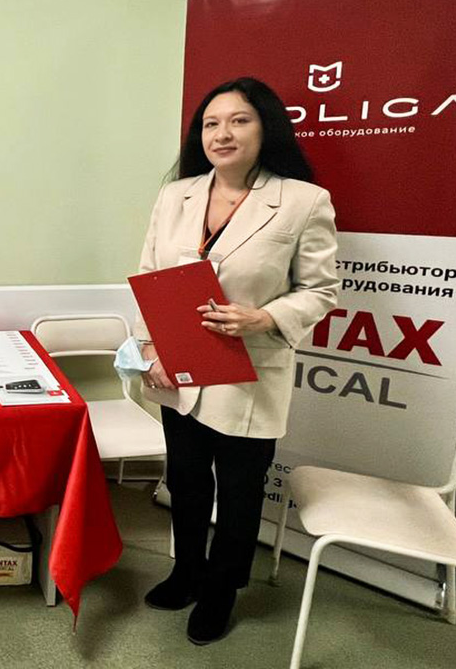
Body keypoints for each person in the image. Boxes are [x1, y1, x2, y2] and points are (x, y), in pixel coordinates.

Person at [134, 77, 339, 645]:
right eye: (211, 123)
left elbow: (321, 290)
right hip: (179, 367)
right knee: (186, 479)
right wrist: (152, 348)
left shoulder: (302, 201)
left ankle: (221, 590)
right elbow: (151, 276)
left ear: (265, 127)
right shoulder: (176, 196)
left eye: (239, 120)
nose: (222, 133)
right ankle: (186, 572)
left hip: (249, 372)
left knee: (240, 490)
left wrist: (265, 316)